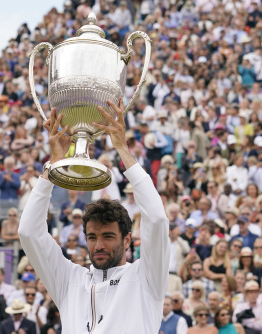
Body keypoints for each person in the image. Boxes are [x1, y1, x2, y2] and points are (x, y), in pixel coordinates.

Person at [19, 102, 170, 333]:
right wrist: (53, 165)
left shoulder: (146, 278)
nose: (98, 245)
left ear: (127, 240)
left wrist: (122, 149)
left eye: (108, 236)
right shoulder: (69, 280)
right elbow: (28, 232)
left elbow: (157, 219)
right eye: (92, 237)